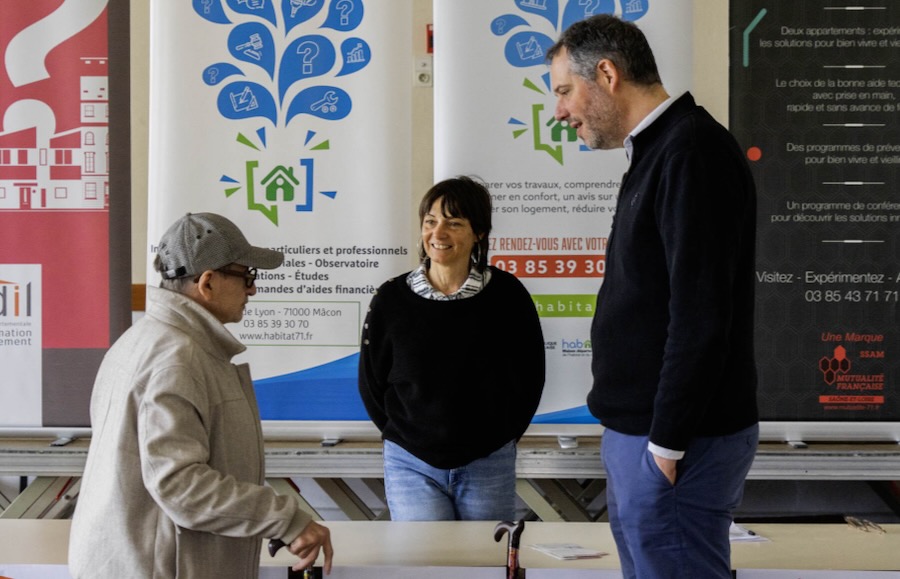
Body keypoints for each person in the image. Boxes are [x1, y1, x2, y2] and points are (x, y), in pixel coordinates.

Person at [548, 15, 759, 579]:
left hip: (676, 443)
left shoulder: (692, 152)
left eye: (565, 91)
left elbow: (700, 316)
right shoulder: (657, 150)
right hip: (646, 438)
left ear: (607, 74)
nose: (558, 112)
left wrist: (666, 448)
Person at [69, 212, 333, 578]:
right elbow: (180, 486)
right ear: (207, 283)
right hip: (158, 568)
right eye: (247, 276)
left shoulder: (142, 340)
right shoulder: (178, 358)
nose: (253, 290)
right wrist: (285, 520)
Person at [358, 176, 545, 521]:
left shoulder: (508, 296)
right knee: (423, 556)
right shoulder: (390, 299)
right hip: (410, 462)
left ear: (479, 233)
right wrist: (406, 436)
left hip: (488, 460)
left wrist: (499, 438)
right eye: (431, 221)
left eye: (454, 223)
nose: (438, 233)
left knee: (486, 554)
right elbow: (372, 383)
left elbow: (529, 379)